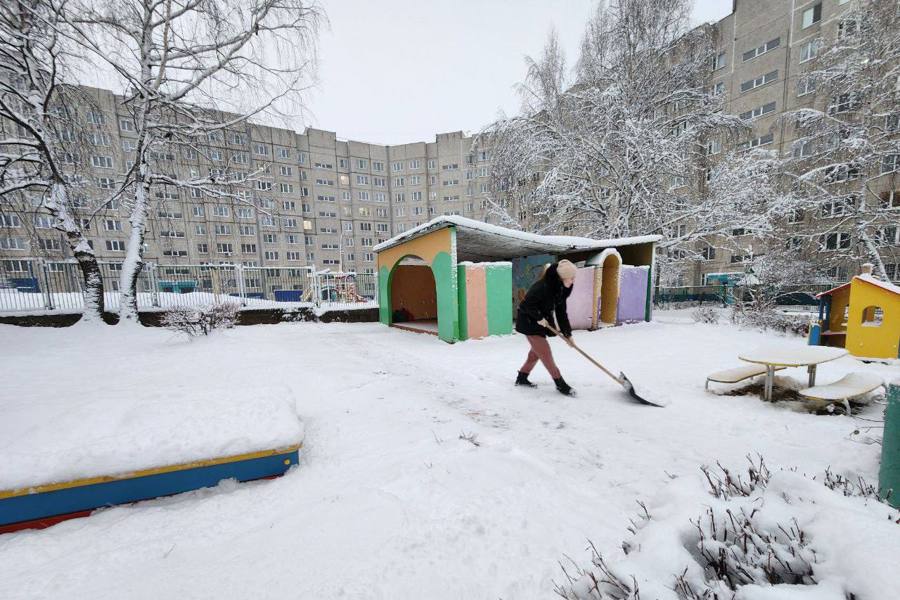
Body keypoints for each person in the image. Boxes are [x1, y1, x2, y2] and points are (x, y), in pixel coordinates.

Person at [514, 259, 577, 395]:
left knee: (536, 353)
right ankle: (560, 384)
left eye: (573, 278)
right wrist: (539, 318)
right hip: (529, 322)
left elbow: (561, 312)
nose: (572, 281)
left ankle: (522, 377)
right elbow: (526, 305)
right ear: (562, 277)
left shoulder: (561, 289)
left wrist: (568, 334)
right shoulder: (542, 287)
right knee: (545, 353)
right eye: (570, 278)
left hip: (542, 322)